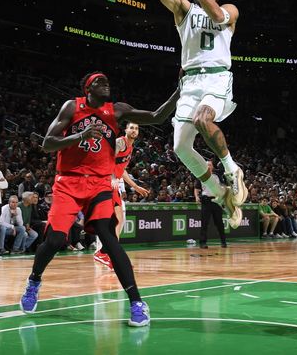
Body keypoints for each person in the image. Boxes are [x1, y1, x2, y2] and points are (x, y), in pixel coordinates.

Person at [19, 72, 179, 328]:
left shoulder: (116, 111)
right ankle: (34, 281)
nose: (106, 84)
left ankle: (137, 302)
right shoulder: (72, 106)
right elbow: (48, 144)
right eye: (99, 82)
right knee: (56, 240)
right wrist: (79, 137)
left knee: (108, 236)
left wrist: (179, 89)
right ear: (87, 88)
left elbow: (157, 116)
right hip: (69, 182)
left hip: (100, 184)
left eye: (107, 81)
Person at [122, 0, 246, 228]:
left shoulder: (229, 10)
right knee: (180, 146)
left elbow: (217, 17)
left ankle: (232, 169)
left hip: (216, 79)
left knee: (205, 120)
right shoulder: (183, 9)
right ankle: (219, 192)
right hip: (189, 84)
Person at [94, 121, 150, 268]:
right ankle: (104, 253)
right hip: (105, 181)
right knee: (115, 220)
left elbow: (121, 169)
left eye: (136, 128)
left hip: (112, 182)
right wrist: (112, 178)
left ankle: (108, 254)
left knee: (117, 221)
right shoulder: (120, 142)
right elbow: (109, 160)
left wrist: (135, 186)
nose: (134, 130)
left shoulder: (130, 148)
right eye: (131, 127)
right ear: (126, 130)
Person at [194, 166, 227, 249]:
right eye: (207, 165)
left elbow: (223, 186)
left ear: (212, 167)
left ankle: (223, 241)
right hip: (206, 201)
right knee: (204, 223)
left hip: (216, 201)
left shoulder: (217, 176)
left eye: (210, 165)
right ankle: (202, 243)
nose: (208, 166)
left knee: (219, 223)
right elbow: (196, 188)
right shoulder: (201, 175)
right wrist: (197, 197)